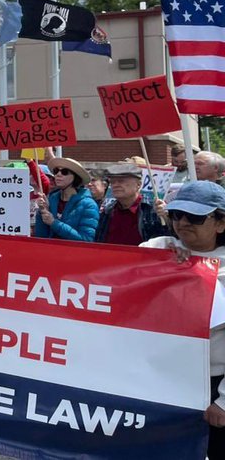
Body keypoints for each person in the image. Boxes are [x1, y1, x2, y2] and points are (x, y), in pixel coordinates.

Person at [139, 181, 225, 457]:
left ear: (220, 224)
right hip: (162, 379)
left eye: (195, 217)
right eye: (177, 215)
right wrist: (160, 259)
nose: (183, 223)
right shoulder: (162, 248)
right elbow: (124, 270)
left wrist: (224, 401)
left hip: (211, 384)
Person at [95, 161, 169, 245]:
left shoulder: (154, 210)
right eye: (112, 182)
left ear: (138, 185)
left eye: (121, 181)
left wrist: (167, 219)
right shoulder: (107, 211)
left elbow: (169, 240)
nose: (115, 185)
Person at [34, 157, 98, 241]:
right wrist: (42, 212)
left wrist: (54, 223)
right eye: (56, 171)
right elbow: (41, 237)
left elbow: (86, 240)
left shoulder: (88, 205)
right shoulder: (51, 199)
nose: (58, 174)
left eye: (65, 172)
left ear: (75, 177)